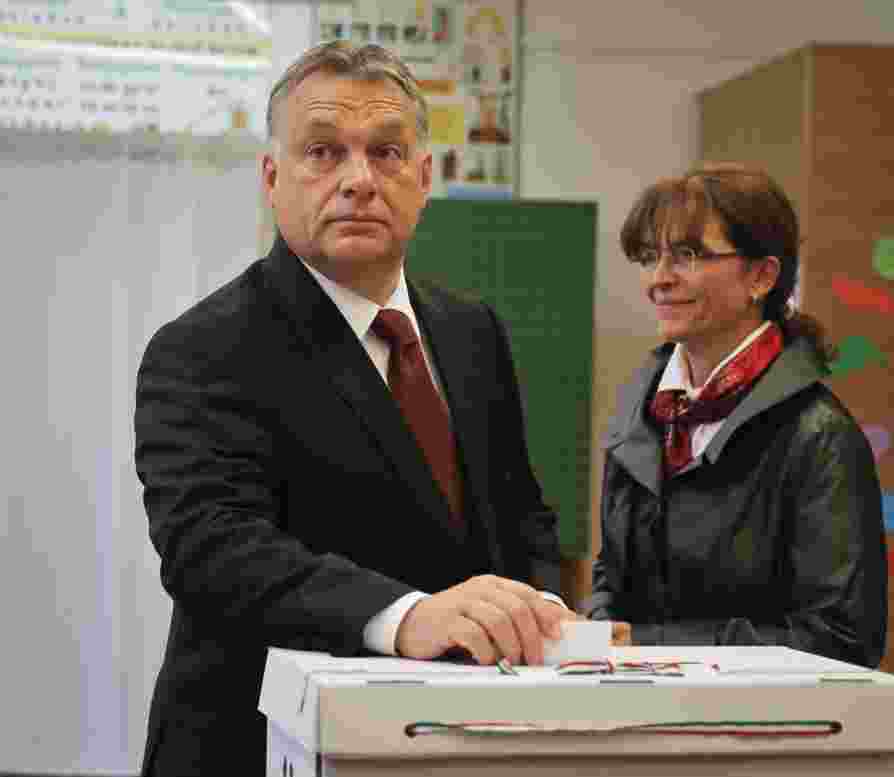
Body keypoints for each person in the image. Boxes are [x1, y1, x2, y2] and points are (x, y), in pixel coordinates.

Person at [134, 41, 571, 776]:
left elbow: (518, 512)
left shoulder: (474, 332)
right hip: (263, 744)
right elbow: (212, 548)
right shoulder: (203, 348)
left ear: (426, 178)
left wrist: (542, 615)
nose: (359, 180)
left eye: (388, 152)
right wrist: (406, 616)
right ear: (273, 180)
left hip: (462, 743)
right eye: (324, 152)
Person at [587, 163, 887, 667]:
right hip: (636, 716)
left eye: (688, 255)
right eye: (650, 256)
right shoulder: (644, 413)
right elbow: (611, 580)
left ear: (762, 277)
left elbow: (840, 639)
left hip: (759, 732)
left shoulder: (818, 436)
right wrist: (596, 640)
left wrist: (650, 647)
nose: (659, 279)